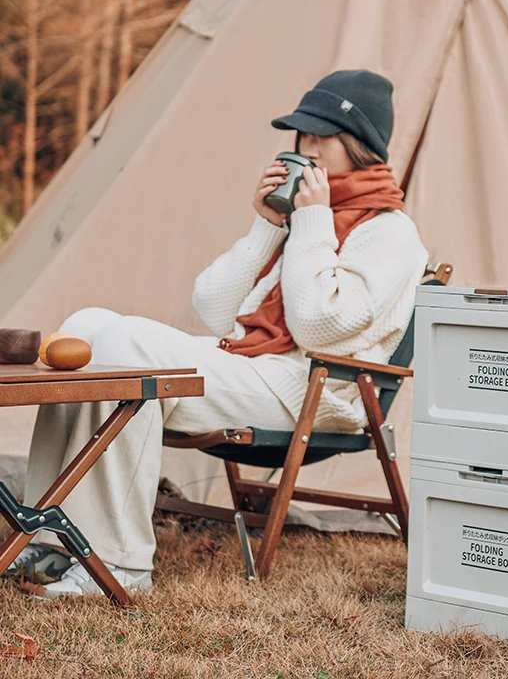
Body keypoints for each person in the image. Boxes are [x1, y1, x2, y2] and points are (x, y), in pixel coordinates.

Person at [8, 69, 428, 597]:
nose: (308, 147)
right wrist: (266, 225)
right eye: (303, 135)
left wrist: (313, 222)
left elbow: (320, 325)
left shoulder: (389, 230)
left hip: (315, 387)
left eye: (323, 135)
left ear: (361, 145)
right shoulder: (301, 221)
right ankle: (49, 532)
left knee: (129, 349)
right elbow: (213, 308)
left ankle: (117, 567)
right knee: (88, 328)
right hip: (256, 367)